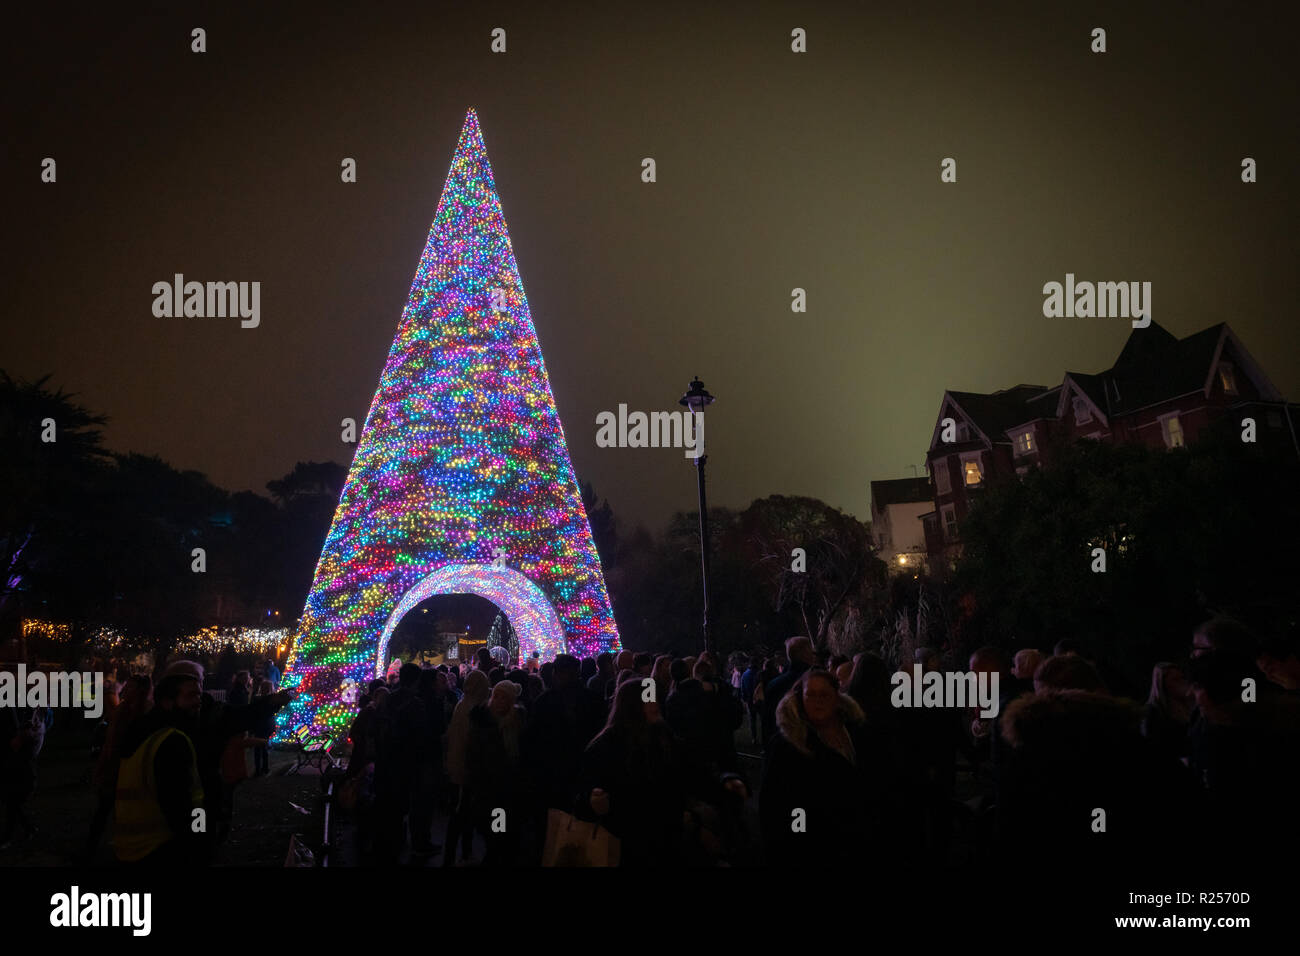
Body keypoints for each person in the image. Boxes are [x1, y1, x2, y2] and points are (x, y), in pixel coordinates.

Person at [759, 669, 891, 865]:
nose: (818, 700)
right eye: (810, 695)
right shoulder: (788, 745)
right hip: (816, 848)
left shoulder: (859, 732)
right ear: (800, 698)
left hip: (862, 842)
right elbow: (780, 804)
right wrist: (799, 838)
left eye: (824, 694)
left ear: (836, 697)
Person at [578, 677, 691, 866]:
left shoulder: (664, 737)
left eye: (654, 698)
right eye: (648, 699)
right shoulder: (606, 746)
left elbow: (689, 773)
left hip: (666, 836)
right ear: (632, 705)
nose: (655, 704)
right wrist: (593, 800)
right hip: (626, 841)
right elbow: (585, 791)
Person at [113, 661, 209, 865]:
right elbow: (182, 803)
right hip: (162, 847)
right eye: (191, 695)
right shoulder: (172, 741)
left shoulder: (141, 729)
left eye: (199, 694)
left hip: (131, 845)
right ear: (167, 701)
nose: (198, 701)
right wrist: (199, 838)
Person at [761, 637, 816, 743]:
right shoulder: (813, 681)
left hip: (781, 742)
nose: (813, 655)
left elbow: (767, 721)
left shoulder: (773, 684)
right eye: (811, 651)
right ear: (804, 654)